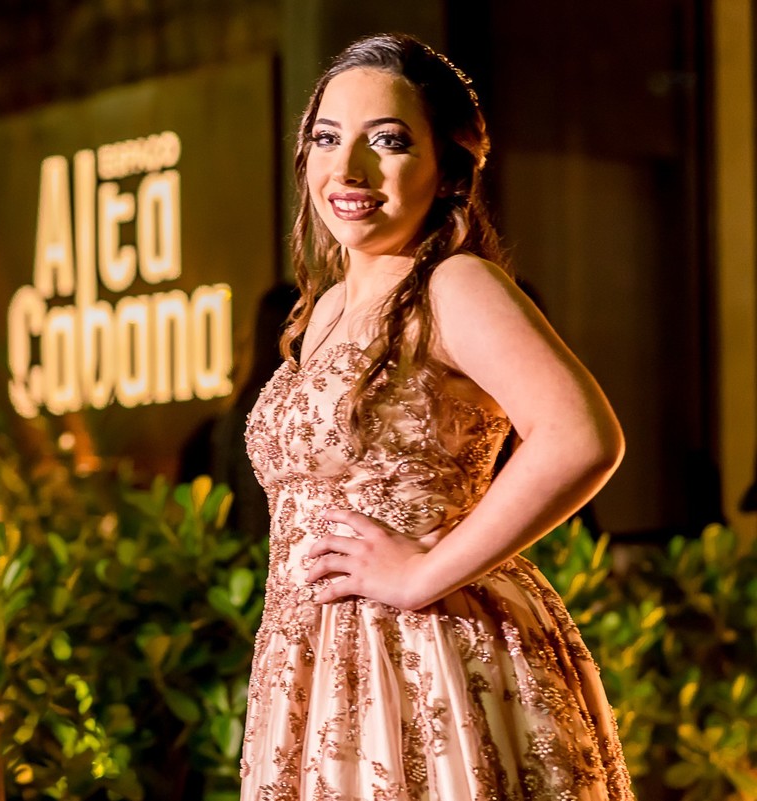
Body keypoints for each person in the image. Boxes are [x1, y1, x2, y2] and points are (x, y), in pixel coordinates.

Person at [241, 33, 633, 800]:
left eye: (387, 141)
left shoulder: (454, 285)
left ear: (448, 170)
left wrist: (421, 574)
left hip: (429, 659)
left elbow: (581, 437)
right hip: (315, 668)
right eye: (328, 138)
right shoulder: (320, 310)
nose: (348, 170)